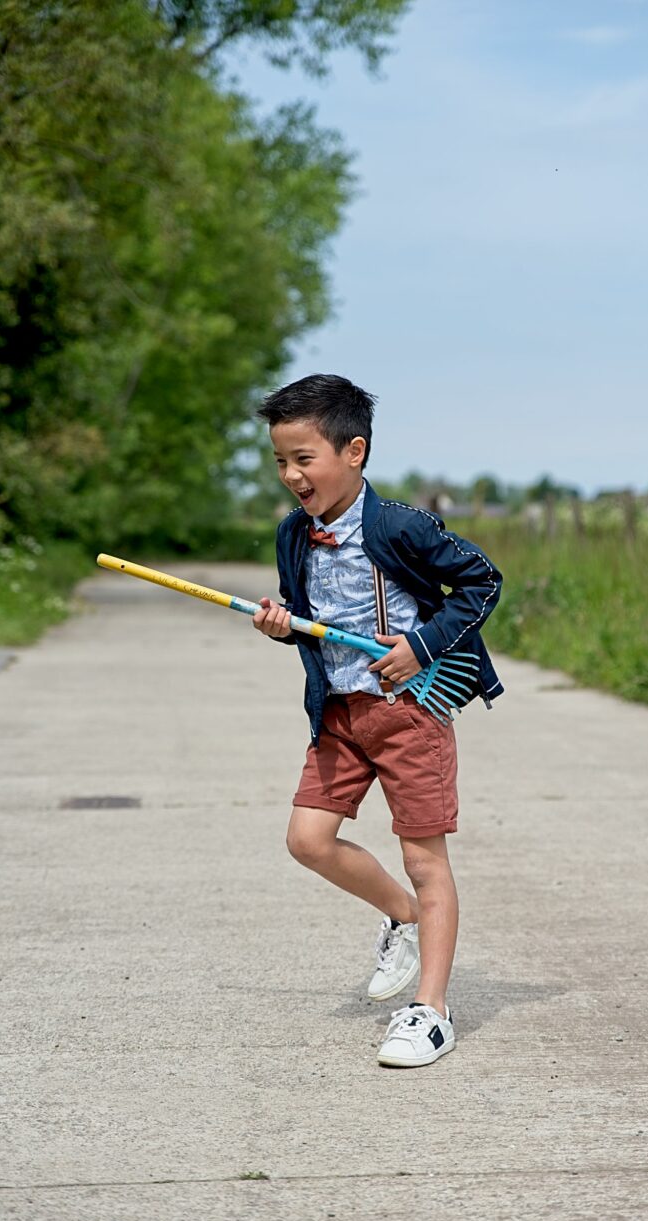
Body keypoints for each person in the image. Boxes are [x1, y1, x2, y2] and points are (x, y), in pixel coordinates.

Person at [253, 373, 504, 1067]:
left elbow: (483, 582)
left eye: (304, 458)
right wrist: (287, 629)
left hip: (409, 713)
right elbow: (316, 625)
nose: (291, 474)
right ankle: (402, 916)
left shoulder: (398, 524)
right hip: (337, 714)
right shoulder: (292, 536)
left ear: (354, 451)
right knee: (308, 840)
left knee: (426, 860)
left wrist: (421, 645)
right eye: (280, 460)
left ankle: (431, 1010)